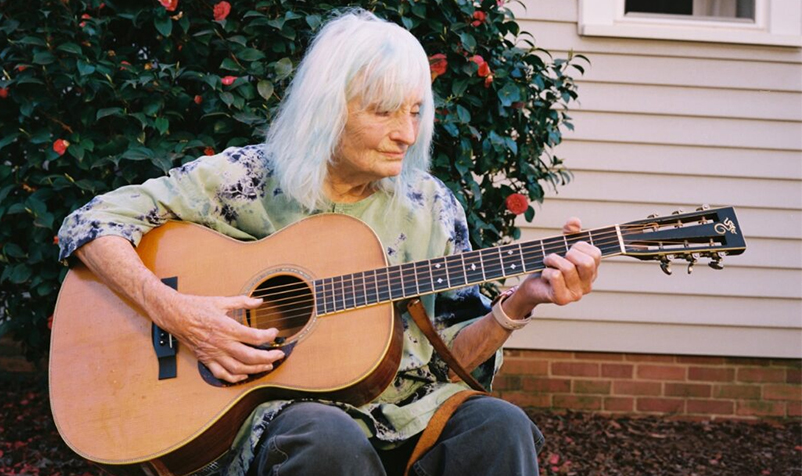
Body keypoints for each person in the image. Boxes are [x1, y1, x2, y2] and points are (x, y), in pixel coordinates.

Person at [57, 10, 601, 476]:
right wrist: (180, 315)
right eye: (385, 111)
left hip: (404, 412)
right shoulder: (245, 178)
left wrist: (521, 302)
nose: (408, 134)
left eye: (415, 111)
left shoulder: (431, 206)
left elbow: (446, 359)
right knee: (325, 436)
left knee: (499, 424)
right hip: (274, 420)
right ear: (326, 109)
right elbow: (89, 223)